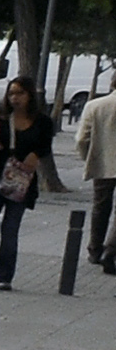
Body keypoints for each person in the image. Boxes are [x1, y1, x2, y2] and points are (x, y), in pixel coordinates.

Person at [0, 76, 55, 291]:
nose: (15, 98)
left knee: (11, 229)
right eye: (12, 93)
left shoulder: (42, 122)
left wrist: (35, 155)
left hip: (22, 182)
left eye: (20, 93)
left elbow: (45, 146)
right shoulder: (0, 118)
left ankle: (3, 276)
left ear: (30, 95)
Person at [77, 86, 116, 272]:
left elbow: (81, 139)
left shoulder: (95, 105)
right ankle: (111, 250)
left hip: (103, 163)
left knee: (100, 206)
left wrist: (88, 158)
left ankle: (94, 249)